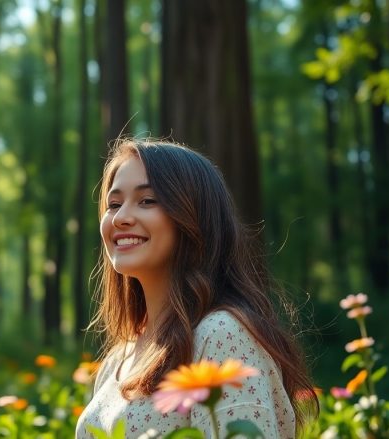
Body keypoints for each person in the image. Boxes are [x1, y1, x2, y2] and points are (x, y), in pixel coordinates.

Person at [75, 139, 317, 438]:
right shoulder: (119, 359)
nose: (121, 217)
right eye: (114, 204)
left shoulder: (222, 335)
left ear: (194, 218)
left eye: (147, 200)